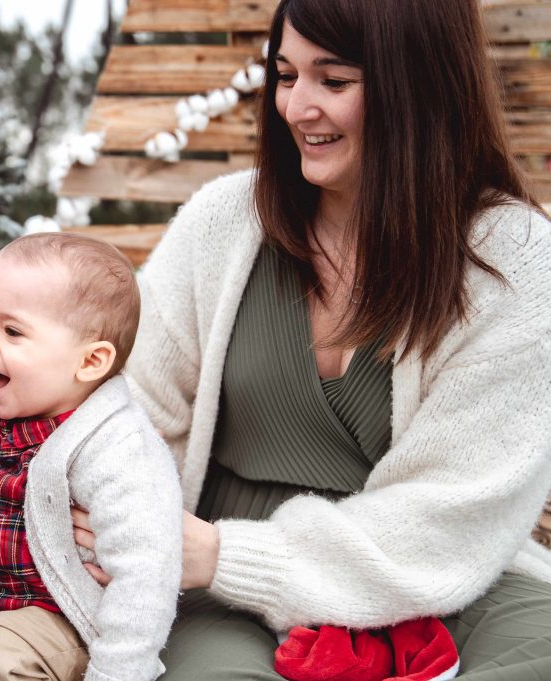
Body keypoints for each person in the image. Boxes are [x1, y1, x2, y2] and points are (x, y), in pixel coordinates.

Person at [72, 0, 551, 678]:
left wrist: (222, 553)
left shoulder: (513, 254)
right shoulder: (223, 222)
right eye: (285, 75)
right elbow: (131, 410)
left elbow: (457, 508)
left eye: (334, 81)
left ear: (417, 85)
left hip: (440, 577)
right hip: (222, 589)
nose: (297, 107)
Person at [0, 232, 183, 681]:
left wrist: (116, 674)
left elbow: (146, 579)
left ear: (89, 362)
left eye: (12, 331)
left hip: (71, 623)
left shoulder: (118, 448)